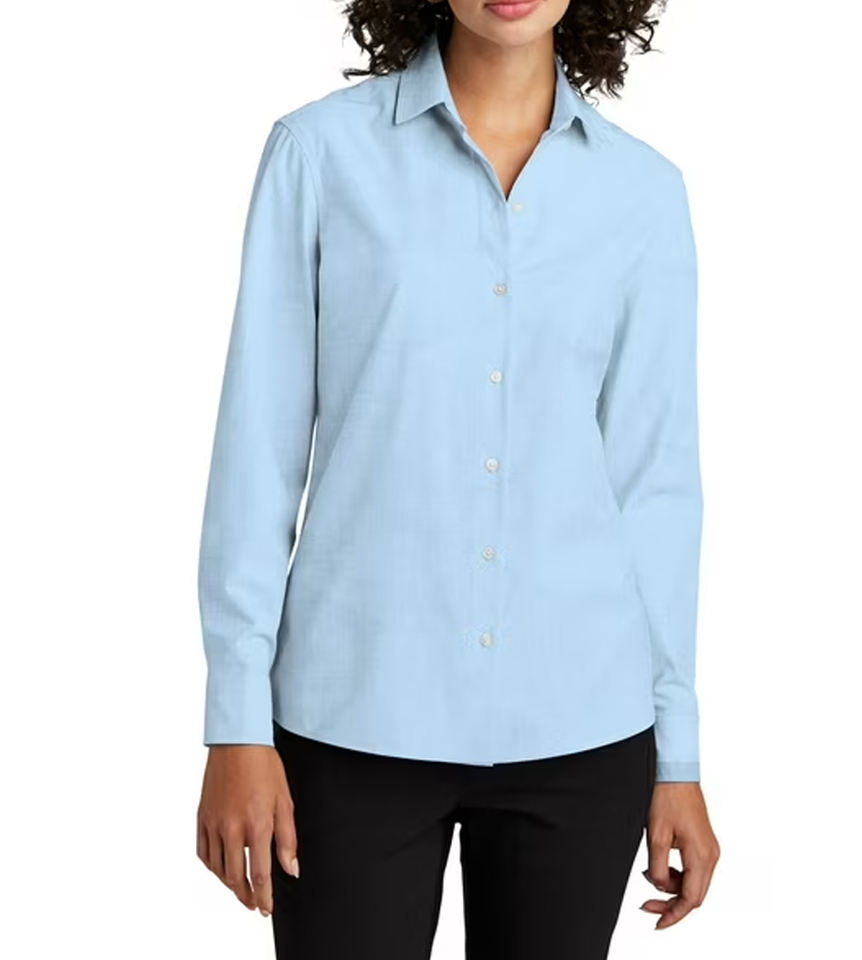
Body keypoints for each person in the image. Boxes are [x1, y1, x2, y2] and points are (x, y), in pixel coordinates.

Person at [195, 1, 720, 956]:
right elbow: (256, 458)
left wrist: (675, 755)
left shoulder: (643, 194)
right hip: (351, 722)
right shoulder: (320, 156)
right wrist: (236, 726)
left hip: (583, 731)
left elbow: (655, 488)